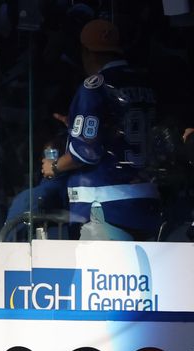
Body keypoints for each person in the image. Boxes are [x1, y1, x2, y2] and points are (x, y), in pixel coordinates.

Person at [41, 19, 162, 241]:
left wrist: (54, 167)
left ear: (86, 51)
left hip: (104, 202)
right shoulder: (144, 84)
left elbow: (86, 153)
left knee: (103, 275)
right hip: (146, 200)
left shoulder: (94, 86)